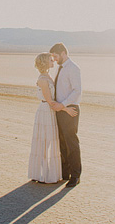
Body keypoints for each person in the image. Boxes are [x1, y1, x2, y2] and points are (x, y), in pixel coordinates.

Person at [28, 52, 77, 184]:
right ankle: (42, 175)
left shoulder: (48, 76)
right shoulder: (43, 80)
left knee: (49, 141)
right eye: (50, 60)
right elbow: (50, 101)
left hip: (51, 112)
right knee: (44, 142)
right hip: (46, 111)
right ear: (45, 62)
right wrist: (66, 108)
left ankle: (44, 173)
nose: (53, 61)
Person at [49, 42, 82, 187]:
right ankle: (65, 172)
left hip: (70, 109)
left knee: (71, 142)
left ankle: (75, 175)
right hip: (61, 109)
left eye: (55, 56)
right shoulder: (60, 68)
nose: (54, 59)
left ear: (63, 53)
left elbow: (77, 91)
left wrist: (63, 105)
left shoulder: (73, 68)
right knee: (62, 141)